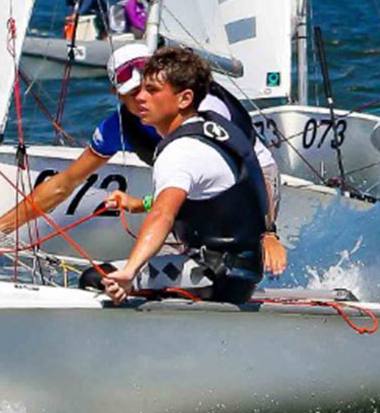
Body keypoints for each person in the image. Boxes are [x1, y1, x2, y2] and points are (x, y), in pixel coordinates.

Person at [0, 43, 286, 274]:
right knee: (171, 263)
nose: (142, 98)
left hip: (251, 180)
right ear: (117, 96)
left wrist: (267, 234)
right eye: (132, 94)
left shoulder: (204, 109)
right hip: (195, 195)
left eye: (147, 89)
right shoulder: (117, 128)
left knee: (234, 262)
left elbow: (250, 169)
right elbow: (62, 186)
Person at [101, 47, 269, 304]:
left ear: (184, 99)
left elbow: (163, 214)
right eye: (140, 90)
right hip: (240, 271)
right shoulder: (214, 127)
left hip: (217, 277)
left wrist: (129, 272)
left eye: (152, 90)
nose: (140, 98)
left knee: (97, 277)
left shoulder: (181, 150)